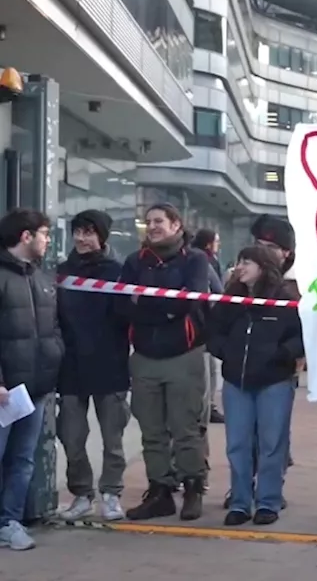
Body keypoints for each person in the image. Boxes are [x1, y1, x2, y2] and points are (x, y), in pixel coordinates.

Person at [122, 204, 212, 521]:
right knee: (151, 430)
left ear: (176, 225)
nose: (152, 227)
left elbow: (193, 299)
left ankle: (193, 488)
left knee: (186, 427)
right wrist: (167, 304)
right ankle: (159, 490)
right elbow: (125, 305)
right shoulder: (135, 262)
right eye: (148, 223)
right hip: (145, 356)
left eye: (158, 221)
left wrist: (151, 305)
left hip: (183, 354)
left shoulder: (195, 259)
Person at [206, 246, 301, 527]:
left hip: (274, 382)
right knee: (238, 444)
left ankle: (268, 502)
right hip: (237, 382)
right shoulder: (231, 299)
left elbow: (301, 334)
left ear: (262, 265)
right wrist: (227, 352)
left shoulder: (284, 297)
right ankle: (239, 502)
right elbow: (212, 330)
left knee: (272, 444)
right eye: (239, 261)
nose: (240, 267)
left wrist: (282, 354)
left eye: (246, 261)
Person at [54, 210, 131, 523]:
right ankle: (81, 494)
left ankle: (111, 494)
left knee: (113, 439)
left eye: (88, 232)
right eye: (78, 232)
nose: (82, 239)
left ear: (102, 236)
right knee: (71, 436)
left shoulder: (117, 272)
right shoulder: (61, 272)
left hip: (109, 365)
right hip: (70, 367)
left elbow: (126, 316)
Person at [0, 209, 61, 551]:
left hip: (34, 389)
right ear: (26, 236)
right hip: (4, 390)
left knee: (23, 459)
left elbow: (52, 329)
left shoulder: (42, 278)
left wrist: (56, 357)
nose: (47, 241)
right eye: (44, 234)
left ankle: (9, 522)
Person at [192, 228, 224, 425]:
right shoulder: (205, 261)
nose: (218, 245)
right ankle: (207, 408)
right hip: (204, 323)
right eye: (216, 241)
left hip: (196, 324)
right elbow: (217, 290)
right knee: (207, 371)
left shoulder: (192, 258)